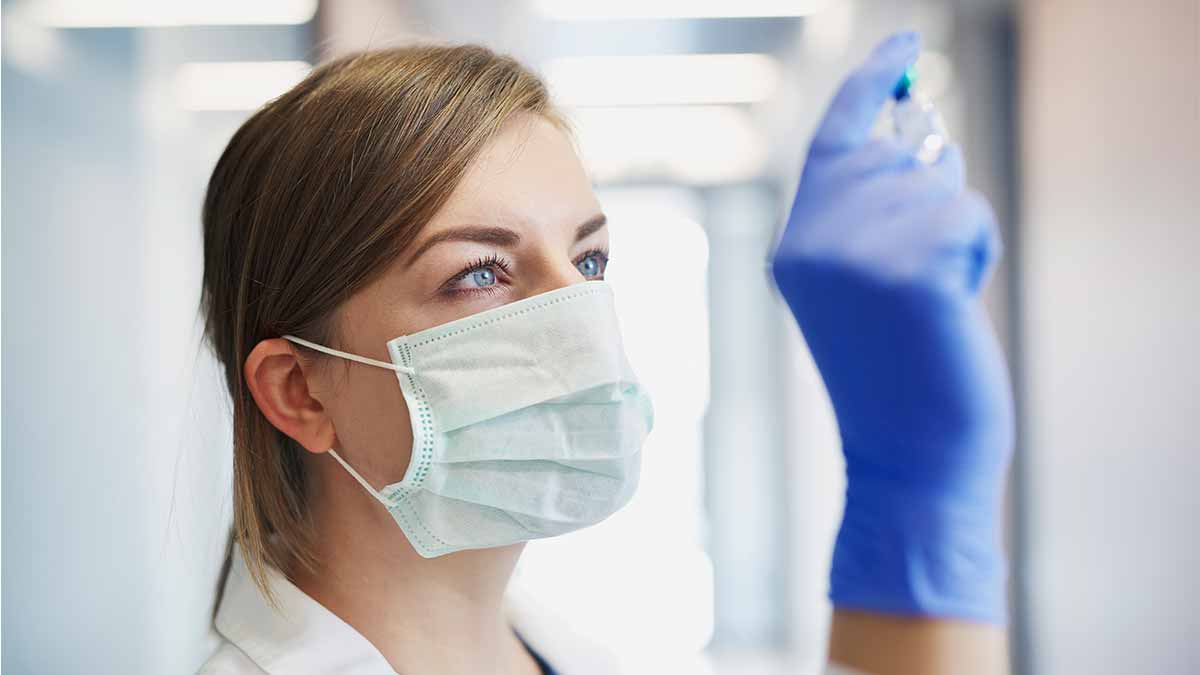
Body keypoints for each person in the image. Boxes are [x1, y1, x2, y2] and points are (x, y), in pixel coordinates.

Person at [198, 31, 1012, 675]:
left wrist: (912, 499)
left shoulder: (562, 651)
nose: (579, 316)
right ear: (300, 390)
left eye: (588, 261)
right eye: (480, 271)